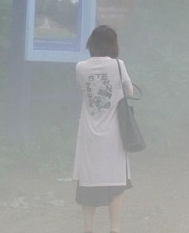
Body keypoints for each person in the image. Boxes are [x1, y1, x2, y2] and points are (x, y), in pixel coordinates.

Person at [73, 25, 133, 233]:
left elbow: (82, 91)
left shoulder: (80, 67)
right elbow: (130, 91)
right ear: (112, 43)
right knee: (115, 182)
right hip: (114, 133)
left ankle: (87, 228)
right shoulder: (118, 65)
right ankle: (115, 229)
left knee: (87, 182)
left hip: (89, 132)